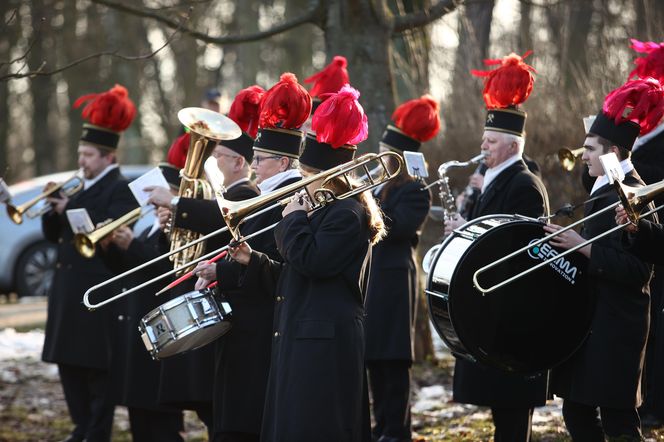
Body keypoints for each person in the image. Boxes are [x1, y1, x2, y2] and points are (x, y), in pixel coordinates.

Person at [222, 83, 383, 441]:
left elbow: (314, 262)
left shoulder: (348, 212)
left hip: (325, 343)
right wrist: (255, 261)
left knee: (315, 429)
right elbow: (296, 274)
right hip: (302, 336)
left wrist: (292, 218)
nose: (303, 186)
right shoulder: (323, 208)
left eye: (308, 178)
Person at [191, 75, 309, 442]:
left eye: (260, 158)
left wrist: (220, 271)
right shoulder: (264, 194)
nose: (254, 165)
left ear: (285, 161)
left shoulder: (288, 197)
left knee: (246, 422)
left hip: (259, 326)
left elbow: (271, 261)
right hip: (243, 322)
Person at [544, 78, 664, 441]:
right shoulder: (601, 188)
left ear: (612, 152)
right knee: (577, 414)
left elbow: (641, 269)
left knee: (620, 425)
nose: (583, 156)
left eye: (590, 149)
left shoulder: (634, 194)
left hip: (617, 328)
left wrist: (583, 247)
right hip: (592, 322)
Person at [443, 52, 550, 442]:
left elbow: (516, 248)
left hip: (513, 313)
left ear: (510, 144)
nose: (482, 147)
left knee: (512, 416)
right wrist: (462, 229)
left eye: (489, 141)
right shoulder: (494, 179)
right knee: (501, 413)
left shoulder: (523, 185)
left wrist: (468, 230)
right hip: (493, 312)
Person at [41, 84, 139, 442]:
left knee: (96, 372)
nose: (81, 161)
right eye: (80, 153)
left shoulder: (121, 188)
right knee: (69, 367)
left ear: (108, 157)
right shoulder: (79, 186)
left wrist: (68, 210)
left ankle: (95, 432)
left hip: (95, 292)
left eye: (88, 155)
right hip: (68, 290)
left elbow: (108, 232)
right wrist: (53, 209)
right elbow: (56, 236)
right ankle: (81, 427)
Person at [364, 96, 437, 442]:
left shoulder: (415, 189)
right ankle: (381, 429)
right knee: (374, 360)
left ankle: (397, 431)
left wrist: (365, 205)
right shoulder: (376, 185)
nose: (378, 158)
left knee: (392, 362)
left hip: (394, 282)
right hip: (373, 281)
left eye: (384, 152)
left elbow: (399, 227)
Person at [99, 163, 185, 442]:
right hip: (139, 326)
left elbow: (166, 271)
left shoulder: (178, 228)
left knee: (161, 423)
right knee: (140, 417)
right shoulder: (150, 227)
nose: (155, 204)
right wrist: (109, 247)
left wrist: (131, 245)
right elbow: (129, 269)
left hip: (161, 328)